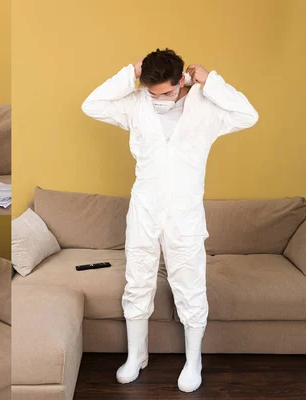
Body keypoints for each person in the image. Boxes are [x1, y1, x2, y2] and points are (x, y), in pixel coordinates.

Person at [81, 48, 258, 392]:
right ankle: (137, 356)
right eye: (152, 91)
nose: (158, 98)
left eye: (165, 91)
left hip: (185, 214)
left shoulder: (206, 107)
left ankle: (194, 361)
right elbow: (91, 105)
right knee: (137, 282)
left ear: (180, 82)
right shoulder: (135, 103)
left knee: (190, 286)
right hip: (144, 210)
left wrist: (211, 80)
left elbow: (248, 114)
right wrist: (129, 72)